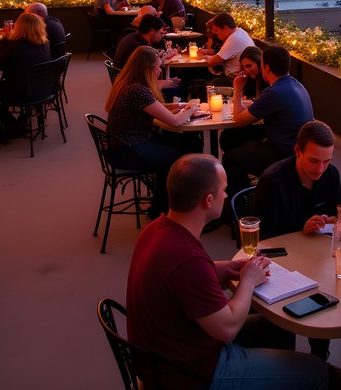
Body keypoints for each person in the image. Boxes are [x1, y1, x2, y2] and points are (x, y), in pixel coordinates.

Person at [126, 153, 328, 390]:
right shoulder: (185, 259)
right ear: (208, 200)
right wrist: (248, 281)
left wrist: (229, 268)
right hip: (192, 373)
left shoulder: (157, 230)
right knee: (315, 370)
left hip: (169, 351)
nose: (226, 195)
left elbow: (189, 275)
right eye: (223, 190)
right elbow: (228, 328)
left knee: (278, 328)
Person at [252, 120, 341, 362]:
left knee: (330, 287)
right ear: (297, 151)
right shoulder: (273, 182)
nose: (321, 169)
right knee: (319, 288)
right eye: (314, 160)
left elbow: (337, 214)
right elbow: (264, 241)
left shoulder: (331, 175)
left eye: (327, 161)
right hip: (280, 263)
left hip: (316, 256)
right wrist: (299, 229)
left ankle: (319, 354)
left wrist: (332, 220)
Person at [106, 46, 203, 217]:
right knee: (178, 159)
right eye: (157, 67)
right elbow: (175, 121)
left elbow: (157, 109)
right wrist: (192, 107)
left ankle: (176, 202)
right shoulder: (138, 91)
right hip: (128, 149)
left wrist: (181, 107)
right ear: (146, 68)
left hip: (123, 144)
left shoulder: (128, 84)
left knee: (189, 143)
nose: (160, 71)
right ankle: (162, 209)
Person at [222, 46, 314, 196]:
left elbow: (239, 121)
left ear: (266, 67)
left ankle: (244, 201)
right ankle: (256, 188)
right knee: (229, 137)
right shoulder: (297, 84)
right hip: (298, 147)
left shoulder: (274, 92)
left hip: (284, 153)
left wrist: (237, 88)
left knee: (230, 159)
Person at [0, 12, 51, 133]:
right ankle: (22, 118)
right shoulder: (45, 44)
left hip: (22, 91)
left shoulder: (17, 46)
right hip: (43, 89)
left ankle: (12, 124)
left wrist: (8, 40)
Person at [113, 14, 181, 97]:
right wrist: (164, 82)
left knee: (170, 82)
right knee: (174, 87)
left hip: (123, 81)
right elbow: (144, 79)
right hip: (132, 87)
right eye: (160, 32)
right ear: (152, 31)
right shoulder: (140, 49)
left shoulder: (132, 37)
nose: (161, 35)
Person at [218, 46, 269, 153]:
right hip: (260, 124)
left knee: (228, 136)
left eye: (249, 66)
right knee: (228, 135)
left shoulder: (268, 84)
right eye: (244, 67)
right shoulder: (252, 80)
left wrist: (236, 88)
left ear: (260, 63)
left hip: (268, 131)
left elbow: (239, 119)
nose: (247, 70)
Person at [203, 13, 255, 79]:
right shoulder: (240, 32)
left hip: (236, 77)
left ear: (225, 28)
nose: (216, 35)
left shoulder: (234, 38)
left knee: (207, 83)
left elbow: (213, 62)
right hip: (240, 75)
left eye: (216, 31)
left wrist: (203, 56)